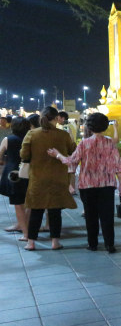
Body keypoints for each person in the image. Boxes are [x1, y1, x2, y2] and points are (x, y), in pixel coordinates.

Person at [49, 112, 121, 253]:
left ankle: (93, 244)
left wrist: (57, 155)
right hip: (107, 185)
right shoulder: (110, 142)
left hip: (87, 185)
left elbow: (71, 161)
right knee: (107, 216)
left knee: (91, 216)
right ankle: (110, 244)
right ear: (105, 126)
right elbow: (118, 165)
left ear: (89, 127)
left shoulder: (85, 143)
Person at [20, 106, 77, 250]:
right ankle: (55, 242)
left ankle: (31, 242)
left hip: (38, 178)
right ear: (57, 118)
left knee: (36, 210)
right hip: (58, 178)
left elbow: (24, 156)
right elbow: (73, 152)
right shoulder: (63, 135)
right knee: (55, 211)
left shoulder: (32, 134)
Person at [0, 117, 31, 233]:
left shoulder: (8, 139)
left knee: (18, 203)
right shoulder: (31, 138)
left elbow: (0, 155)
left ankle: (25, 233)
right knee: (29, 201)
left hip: (13, 174)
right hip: (29, 172)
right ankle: (24, 227)